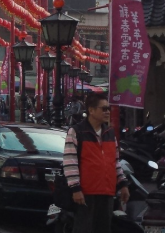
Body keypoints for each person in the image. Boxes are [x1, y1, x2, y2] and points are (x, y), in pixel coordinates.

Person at [63, 93, 128, 233]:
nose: (107, 112)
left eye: (108, 109)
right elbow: (70, 163)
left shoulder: (110, 133)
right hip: (86, 193)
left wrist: (123, 184)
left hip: (107, 192)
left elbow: (115, 162)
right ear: (91, 110)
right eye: (103, 109)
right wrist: (75, 189)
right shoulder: (76, 131)